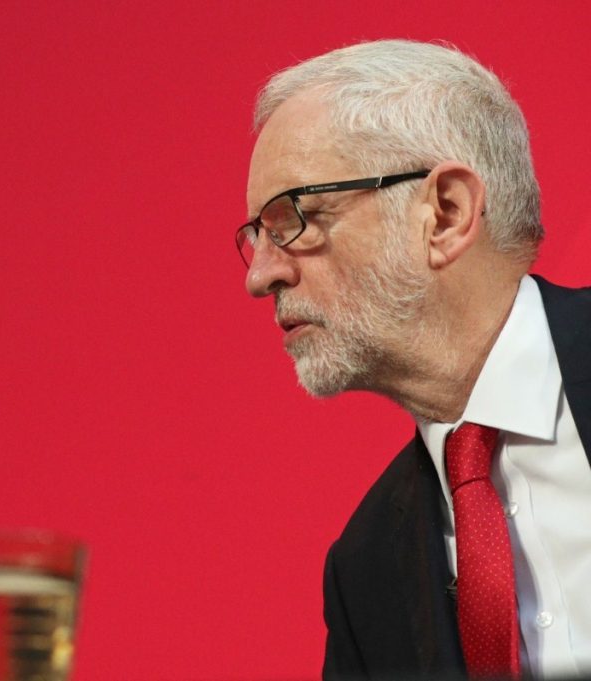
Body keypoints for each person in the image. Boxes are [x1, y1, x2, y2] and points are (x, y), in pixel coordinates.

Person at [238, 40, 591, 679]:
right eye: (254, 236)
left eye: (293, 219)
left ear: (446, 214)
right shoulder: (366, 567)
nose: (260, 276)